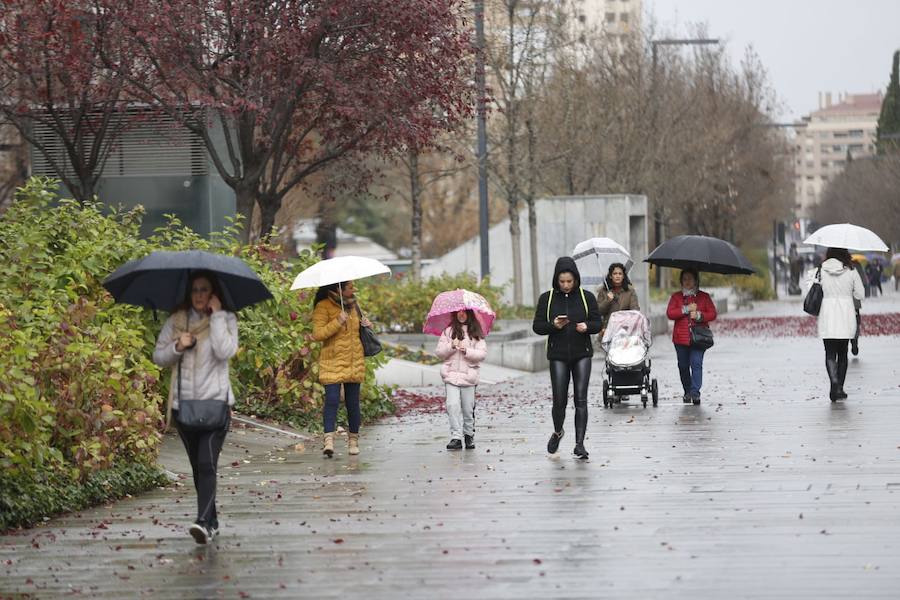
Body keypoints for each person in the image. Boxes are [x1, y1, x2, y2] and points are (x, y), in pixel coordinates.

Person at [153, 272, 238, 545]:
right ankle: (211, 522)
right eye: (195, 290)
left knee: (207, 463)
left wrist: (216, 318)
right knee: (198, 468)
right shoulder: (177, 321)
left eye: (205, 290)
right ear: (189, 294)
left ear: (214, 293)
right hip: (184, 407)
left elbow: (226, 351)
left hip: (216, 405)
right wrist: (179, 345)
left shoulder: (226, 320)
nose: (200, 295)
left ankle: (202, 522)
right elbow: (159, 357)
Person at [533, 257, 603, 459]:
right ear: (556, 280)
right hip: (558, 355)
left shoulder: (586, 296)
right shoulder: (546, 299)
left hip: (582, 354)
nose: (565, 285)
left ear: (576, 279)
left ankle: (580, 444)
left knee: (581, 399)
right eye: (562, 281)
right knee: (559, 400)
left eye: (569, 281)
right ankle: (558, 431)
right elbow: (537, 326)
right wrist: (553, 325)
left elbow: (597, 322)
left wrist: (587, 327)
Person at [312, 280, 372, 457]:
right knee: (331, 400)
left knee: (353, 403)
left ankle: (353, 441)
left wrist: (367, 325)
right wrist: (338, 321)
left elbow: (359, 333)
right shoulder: (323, 306)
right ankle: (328, 441)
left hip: (354, 361)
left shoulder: (355, 306)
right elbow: (318, 334)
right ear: (339, 289)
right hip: (332, 361)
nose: (354, 289)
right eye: (351, 287)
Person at [812, 248, 864, 401]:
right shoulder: (851, 271)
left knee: (829, 352)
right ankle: (839, 387)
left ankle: (833, 382)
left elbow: (813, 290)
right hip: (845, 314)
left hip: (827, 314)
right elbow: (860, 294)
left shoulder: (821, 270)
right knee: (842, 353)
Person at [434, 309, 488, 450]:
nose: (461, 314)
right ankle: (456, 437)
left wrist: (467, 351)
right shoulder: (448, 331)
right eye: (459, 312)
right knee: (452, 405)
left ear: (469, 314)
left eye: (464, 312)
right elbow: (439, 352)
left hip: (469, 376)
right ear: (455, 314)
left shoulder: (475, 333)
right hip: (450, 374)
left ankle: (469, 436)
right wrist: (451, 346)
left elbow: (482, 354)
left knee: (467, 409)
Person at [666, 268, 717, 405]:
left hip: (698, 338)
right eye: (684, 279)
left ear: (696, 280)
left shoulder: (704, 297)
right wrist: (685, 309)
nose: (687, 282)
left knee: (696, 363)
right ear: (681, 281)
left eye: (690, 279)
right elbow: (670, 313)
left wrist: (700, 315)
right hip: (680, 338)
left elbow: (713, 313)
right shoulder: (676, 297)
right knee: (683, 366)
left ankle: (695, 393)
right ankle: (687, 391)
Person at [597, 262, 640, 337]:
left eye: (620, 274)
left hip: (625, 329)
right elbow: (599, 311)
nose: (617, 276)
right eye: (615, 273)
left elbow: (635, 310)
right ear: (610, 276)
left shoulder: (630, 291)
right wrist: (608, 300)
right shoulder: (603, 291)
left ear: (623, 276)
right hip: (608, 329)